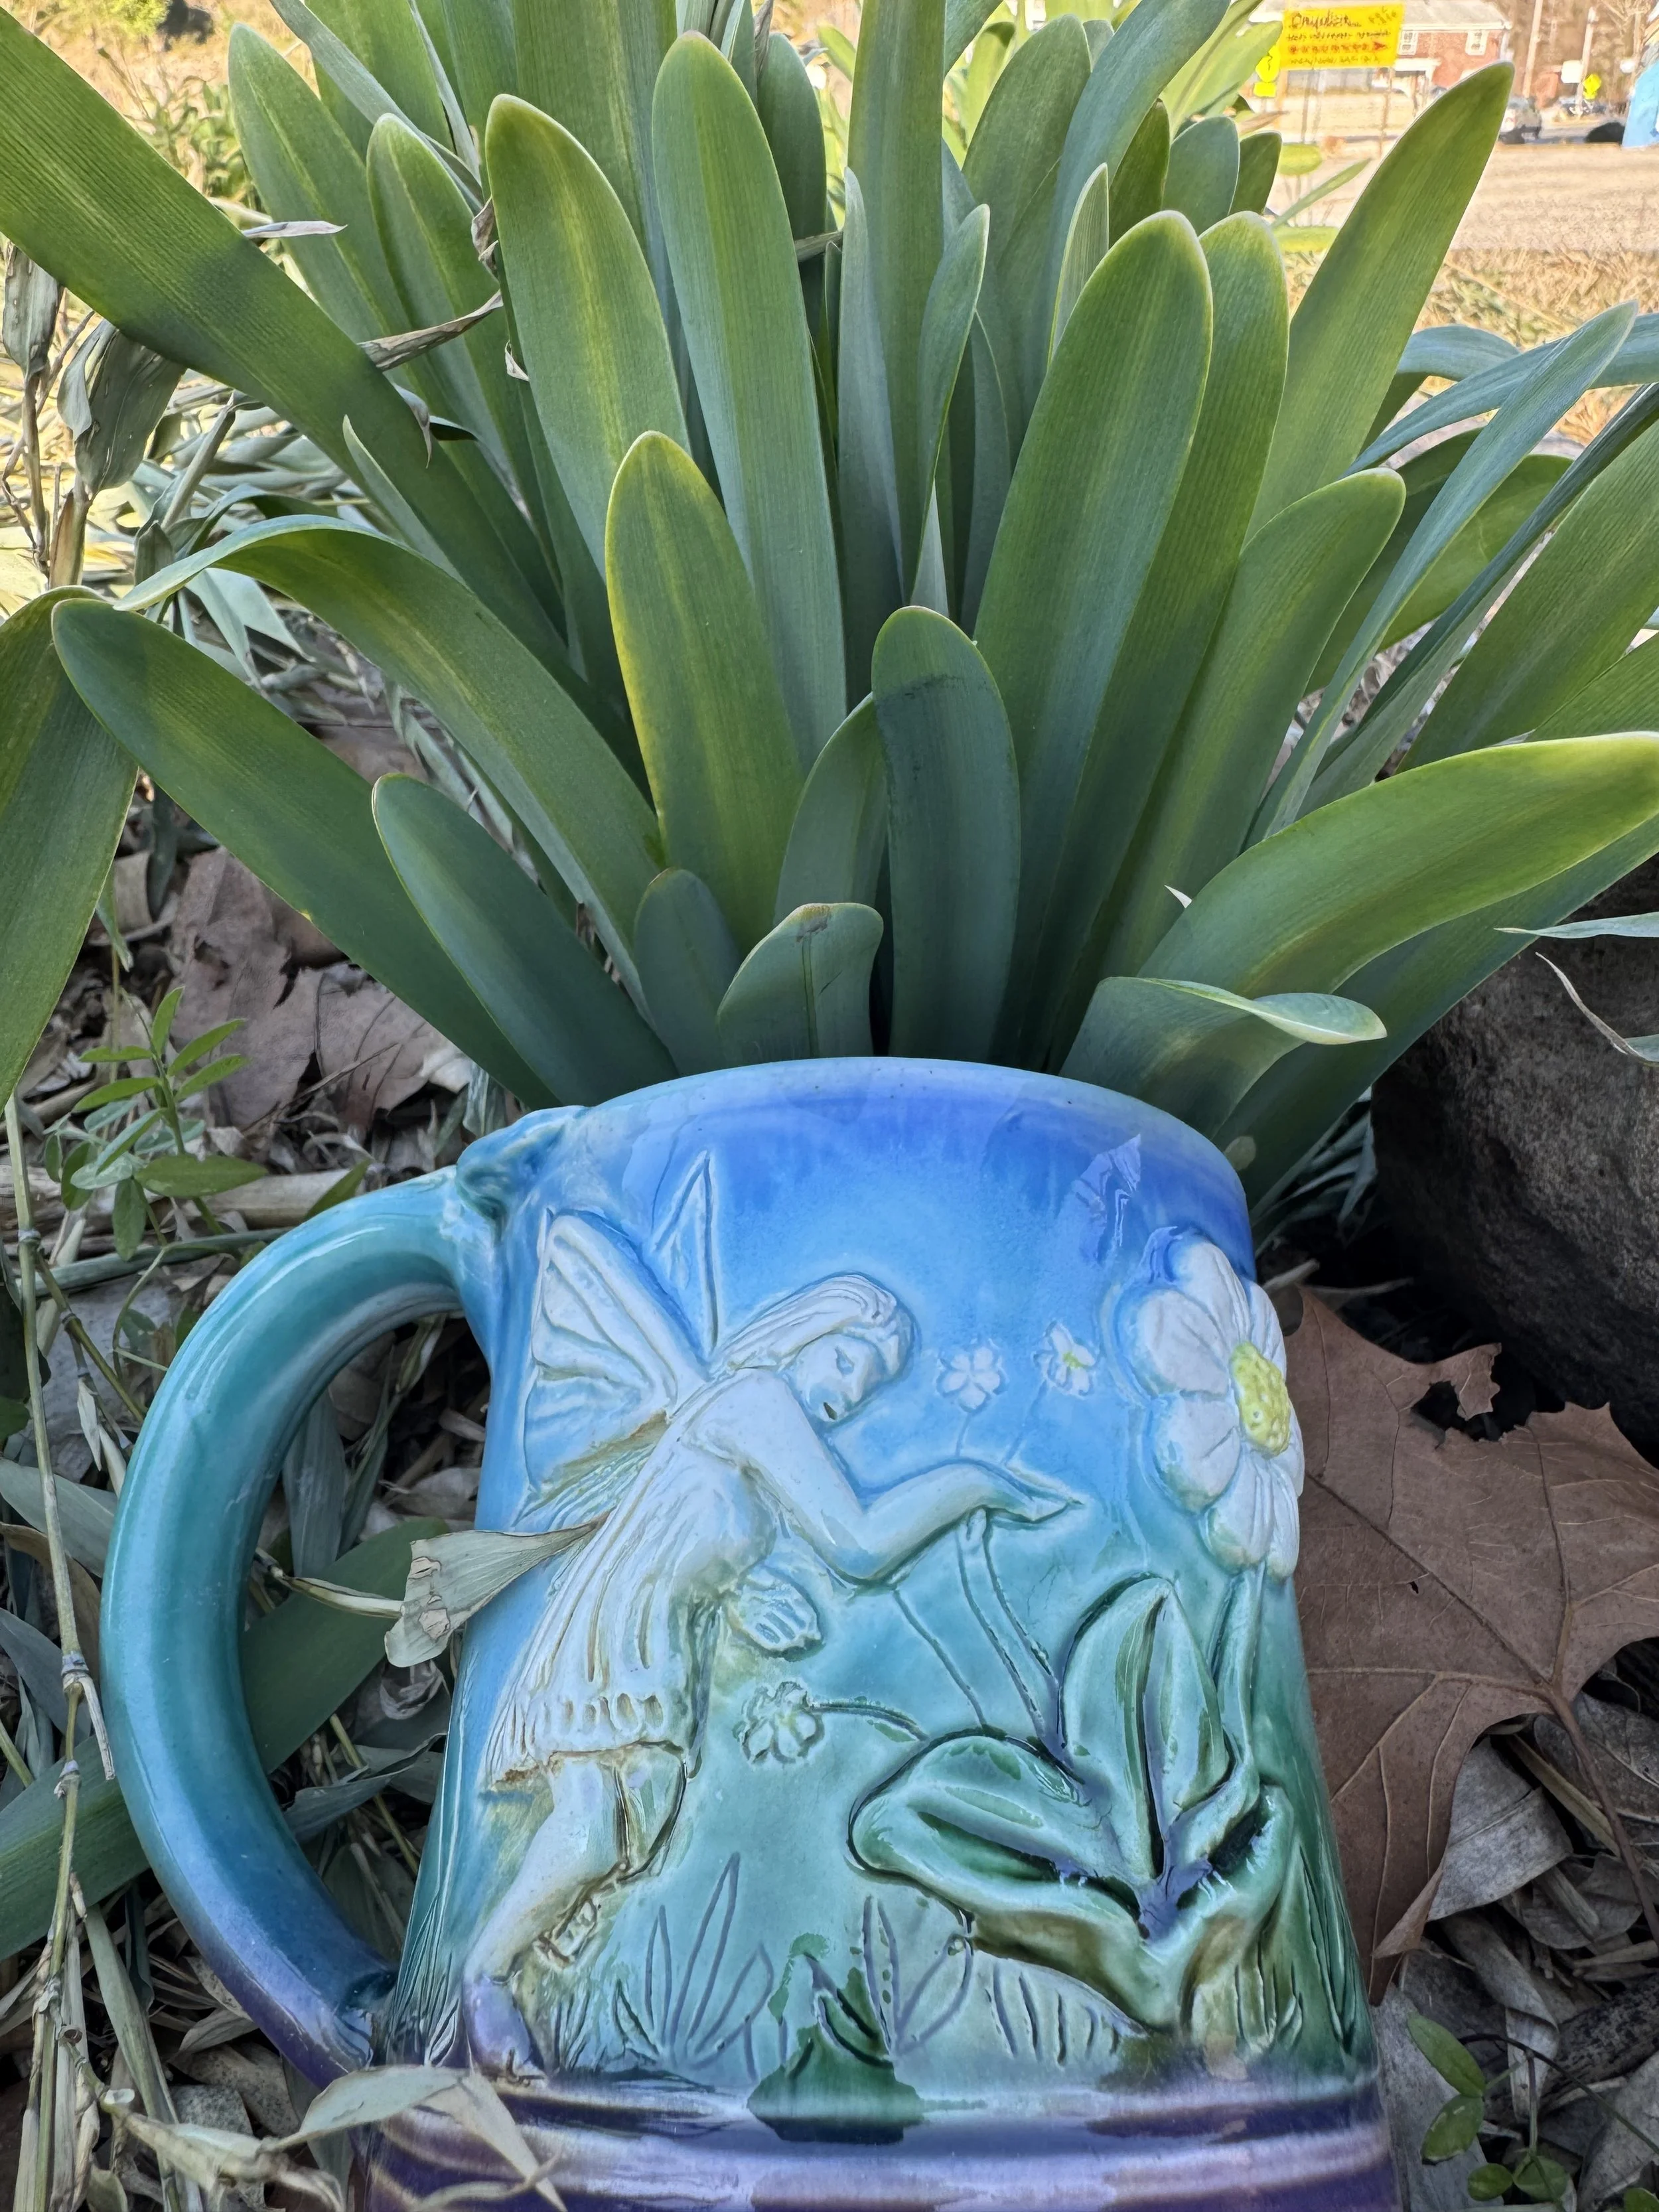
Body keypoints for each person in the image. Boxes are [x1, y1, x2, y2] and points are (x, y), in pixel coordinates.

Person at [461, 1217, 1066, 2075]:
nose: (852, 1395)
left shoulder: (738, 1425)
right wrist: (975, 1483)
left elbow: (692, 1527)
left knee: (632, 1829)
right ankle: (483, 1982)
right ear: (810, 1335)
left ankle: (543, 1981)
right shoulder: (755, 1401)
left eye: (871, 1386)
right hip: (613, 1643)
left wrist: (740, 1590)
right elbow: (858, 1543)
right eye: (850, 1363)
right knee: (592, 1834)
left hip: (659, 1649)